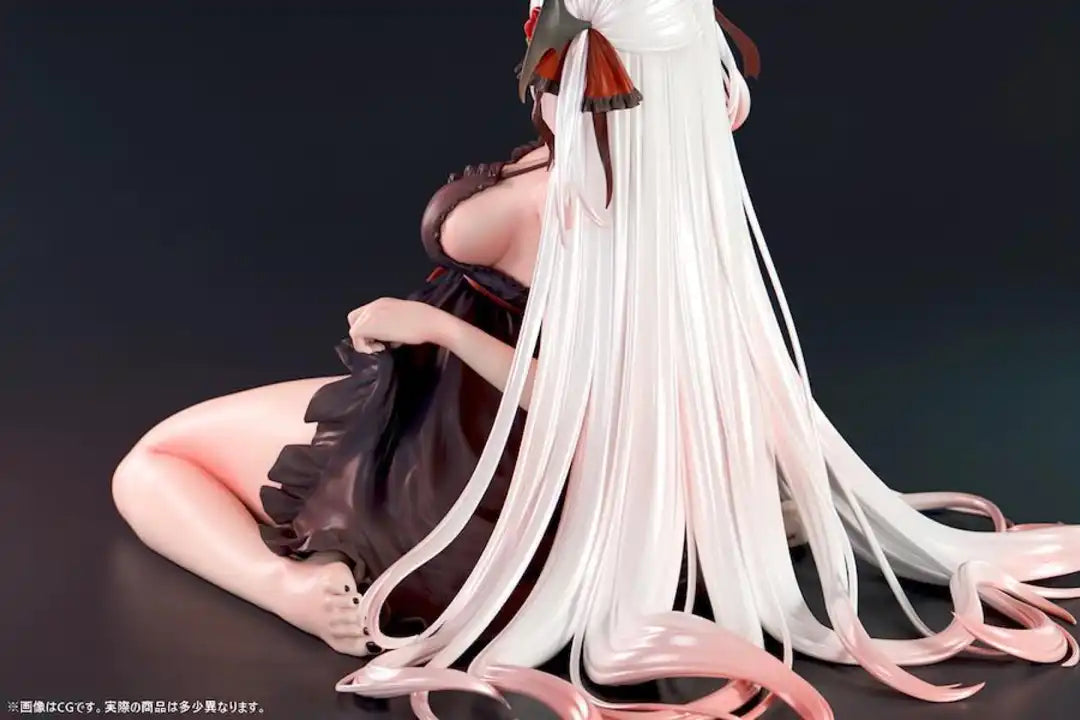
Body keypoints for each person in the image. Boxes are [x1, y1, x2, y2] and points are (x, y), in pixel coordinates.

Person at [113, 1, 1080, 718]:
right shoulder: (687, 178)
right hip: (598, 478)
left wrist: (436, 331)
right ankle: (712, 524)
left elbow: (582, 400)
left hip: (472, 469)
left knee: (156, 460)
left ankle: (293, 596)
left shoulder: (556, 206)